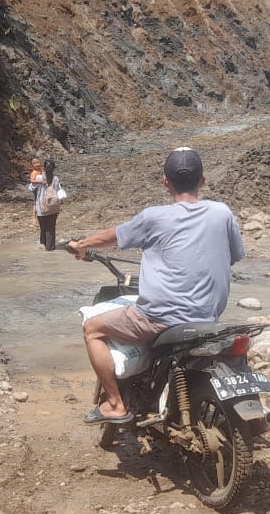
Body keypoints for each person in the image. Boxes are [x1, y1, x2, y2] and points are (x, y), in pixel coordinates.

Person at [68, 147, 244, 425]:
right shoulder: (222, 213)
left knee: (92, 329)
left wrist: (81, 245)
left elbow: (114, 236)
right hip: (208, 317)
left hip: (160, 318)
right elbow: (234, 256)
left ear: (166, 182)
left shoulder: (153, 217)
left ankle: (115, 404)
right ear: (203, 180)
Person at [27, 157, 62, 251]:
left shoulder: (39, 177)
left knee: (43, 229)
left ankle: (42, 247)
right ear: (54, 168)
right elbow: (59, 191)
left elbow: (31, 188)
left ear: (44, 167)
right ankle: (50, 249)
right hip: (53, 208)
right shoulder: (56, 179)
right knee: (50, 229)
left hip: (41, 208)